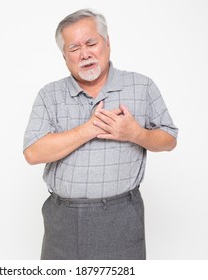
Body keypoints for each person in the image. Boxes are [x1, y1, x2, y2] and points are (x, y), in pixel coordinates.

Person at [23, 9, 178, 260]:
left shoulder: (142, 86)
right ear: (64, 56)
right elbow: (32, 153)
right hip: (63, 218)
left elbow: (169, 140)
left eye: (91, 43)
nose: (85, 54)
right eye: (74, 48)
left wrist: (135, 133)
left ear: (107, 43)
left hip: (122, 216)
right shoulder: (49, 95)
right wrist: (90, 128)